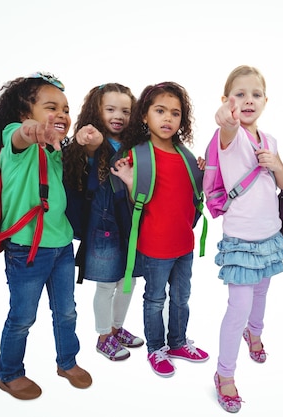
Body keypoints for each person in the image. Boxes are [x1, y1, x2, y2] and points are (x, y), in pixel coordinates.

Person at [0, 72, 92, 400]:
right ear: (26, 113)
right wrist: (32, 131)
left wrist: (82, 145)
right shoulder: (15, 139)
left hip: (61, 246)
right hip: (26, 248)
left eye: (66, 109)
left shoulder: (58, 151)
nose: (62, 114)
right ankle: (10, 373)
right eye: (50, 107)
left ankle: (67, 361)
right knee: (23, 317)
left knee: (67, 311)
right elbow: (21, 136)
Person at [111, 81, 209, 378]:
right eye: (160, 111)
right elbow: (136, 201)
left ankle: (178, 342)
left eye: (175, 113)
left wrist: (201, 174)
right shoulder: (138, 154)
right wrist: (129, 181)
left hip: (184, 244)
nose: (168, 118)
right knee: (154, 300)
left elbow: (192, 195)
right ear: (144, 116)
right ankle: (156, 348)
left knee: (182, 298)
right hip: (154, 247)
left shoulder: (186, 155)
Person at [210, 65, 283, 413]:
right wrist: (225, 119)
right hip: (241, 239)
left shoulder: (270, 140)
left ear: (265, 101)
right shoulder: (230, 135)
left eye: (255, 94)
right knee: (238, 306)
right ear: (227, 101)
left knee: (262, 293)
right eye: (239, 94)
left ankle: (253, 333)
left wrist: (276, 164)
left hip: (269, 234)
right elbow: (226, 126)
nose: (248, 100)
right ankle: (224, 375)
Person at [62, 83, 144, 363]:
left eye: (125, 110)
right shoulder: (91, 140)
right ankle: (102, 337)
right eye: (110, 109)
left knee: (129, 281)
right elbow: (87, 163)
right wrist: (89, 142)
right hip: (104, 225)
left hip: (131, 222)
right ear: (96, 112)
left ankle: (117, 328)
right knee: (107, 285)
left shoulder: (136, 145)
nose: (118, 115)